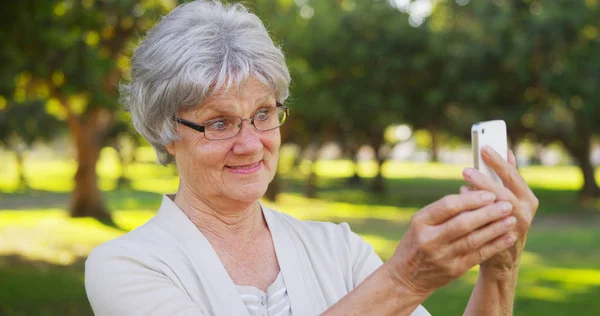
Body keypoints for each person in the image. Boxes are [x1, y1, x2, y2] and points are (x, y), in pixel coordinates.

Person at [84, 1, 539, 315]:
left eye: (263, 114)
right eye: (219, 123)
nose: (250, 142)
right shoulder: (127, 266)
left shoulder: (337, 249)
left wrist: (500, 271)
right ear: (165, 135)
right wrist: (403, 282)